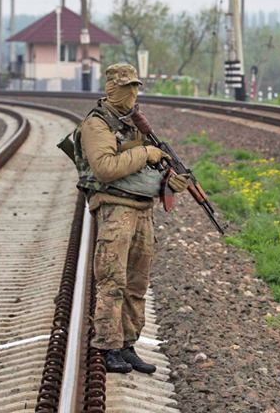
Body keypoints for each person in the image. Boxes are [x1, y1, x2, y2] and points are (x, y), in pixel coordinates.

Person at [76, 63, 189, 374]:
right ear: (112, 88)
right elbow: (105, 168)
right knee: (112, 281)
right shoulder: (97, 125)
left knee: (138, 283)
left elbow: (150, 170)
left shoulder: (136, 126)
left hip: (142, 210)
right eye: (127, 88)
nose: (133, 93)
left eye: (136, 87)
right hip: (115, 210)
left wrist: (170, 182)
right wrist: (145, 154)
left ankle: (127, 345)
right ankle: (107, 346)